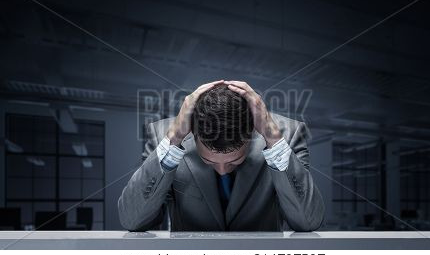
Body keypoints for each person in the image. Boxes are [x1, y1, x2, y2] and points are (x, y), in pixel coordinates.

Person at [118, 80, 324, 231]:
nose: (222, 170)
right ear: (192, 133)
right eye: (208, 160)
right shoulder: (165, 137)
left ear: (251, 133)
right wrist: (173, 139)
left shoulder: (286, 135)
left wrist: (273, 139)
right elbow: (133, 221)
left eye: (234, 161)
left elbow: (308, 221)